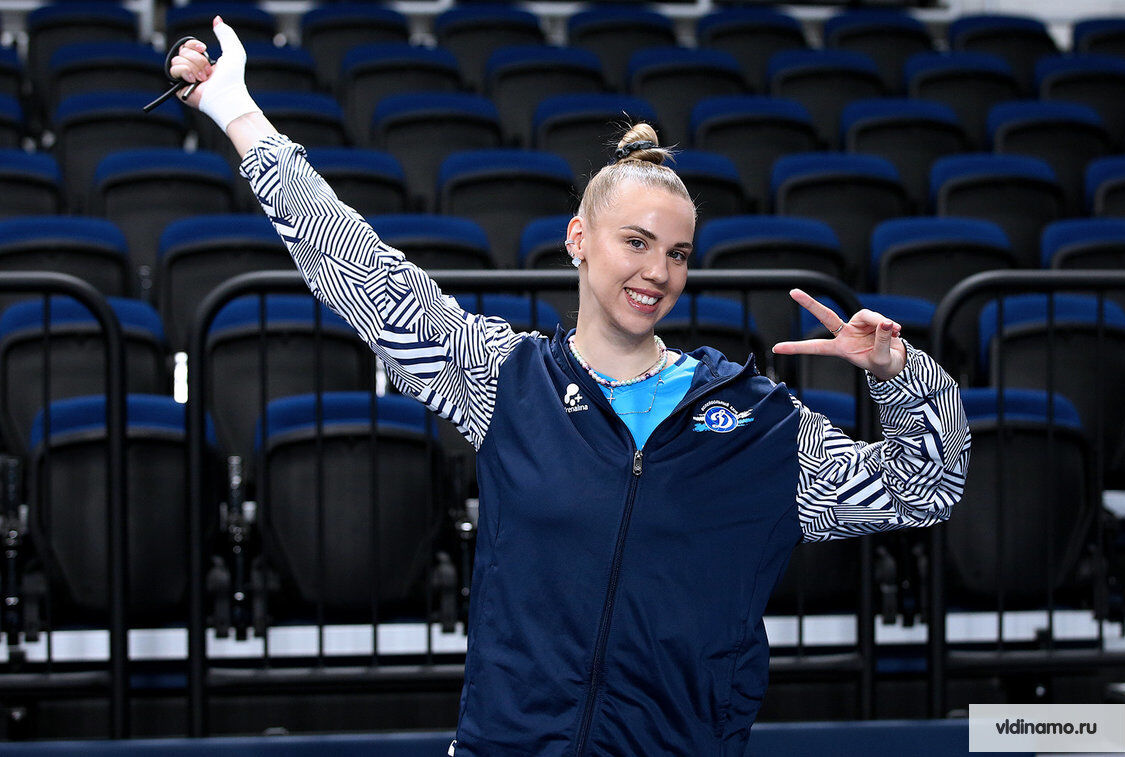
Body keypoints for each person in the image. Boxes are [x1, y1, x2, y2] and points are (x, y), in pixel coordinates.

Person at [169, 18, 971, 756]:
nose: (658, 272)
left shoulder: (756, 422)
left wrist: (900, 375)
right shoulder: (504, 379)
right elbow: (363, 272)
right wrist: (237, 111)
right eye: (636, 242)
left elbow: (926, 486)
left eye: (678, 254)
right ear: (578, 240)